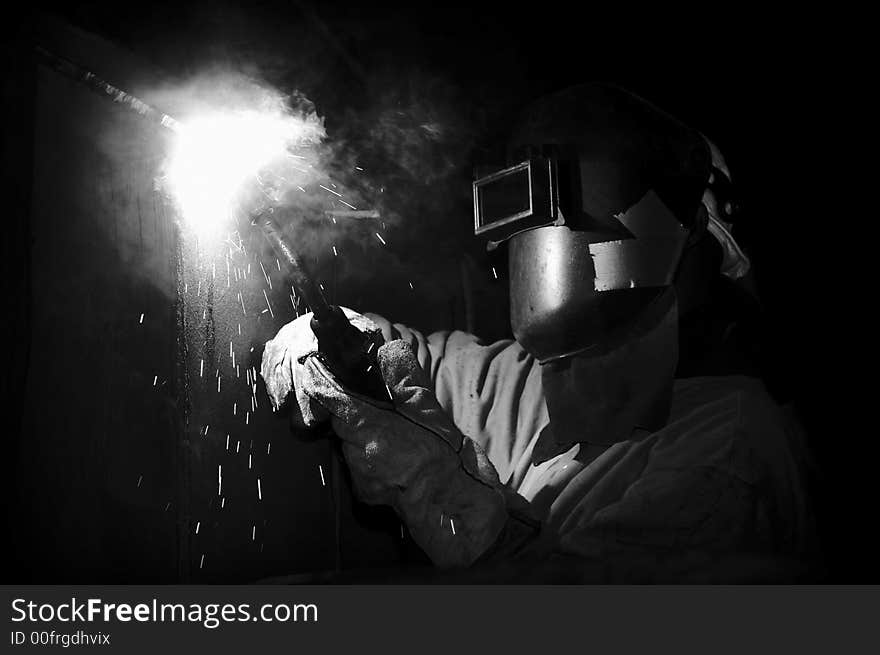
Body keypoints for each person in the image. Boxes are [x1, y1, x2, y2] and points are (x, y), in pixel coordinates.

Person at [261, 84, 815, 582]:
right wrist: (347, 338)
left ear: (691, 234)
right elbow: (422, 364)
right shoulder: (542, 373)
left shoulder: (731, 446)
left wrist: (440, 486)